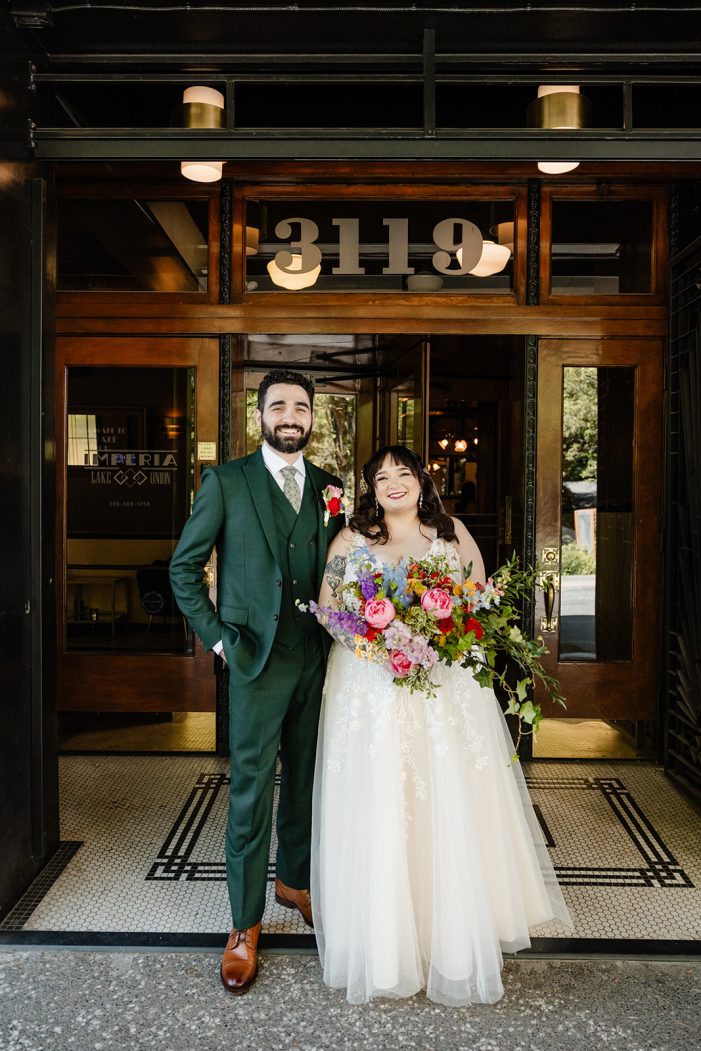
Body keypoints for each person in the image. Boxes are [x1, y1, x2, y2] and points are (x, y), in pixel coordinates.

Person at [311, 444, 570, 1007]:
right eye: (382, 477)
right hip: (371, 687)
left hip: (443, 687)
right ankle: (385, 938)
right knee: (382, 800)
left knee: (445, 795)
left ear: (421, 481)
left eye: (403, 473)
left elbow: (477, 598)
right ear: (371, 489)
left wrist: (439, 633)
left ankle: (450, 931)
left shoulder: (449, 532)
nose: (393, 483)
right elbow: (330, 605)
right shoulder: (352, 540)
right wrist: (375, 643)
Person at [169, 369, 345, 995]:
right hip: (253, 662)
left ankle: (293, 881)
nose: (290, 415)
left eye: (301, 406)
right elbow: (184, 570)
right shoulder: (226, 481)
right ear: (260, 415)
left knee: (305, 777)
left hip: (318, 658)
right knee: (249, 792)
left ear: (312, 415)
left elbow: (344, 570)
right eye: (279, 406)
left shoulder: (332, 489)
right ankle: (244, 925)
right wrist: (218, 641)